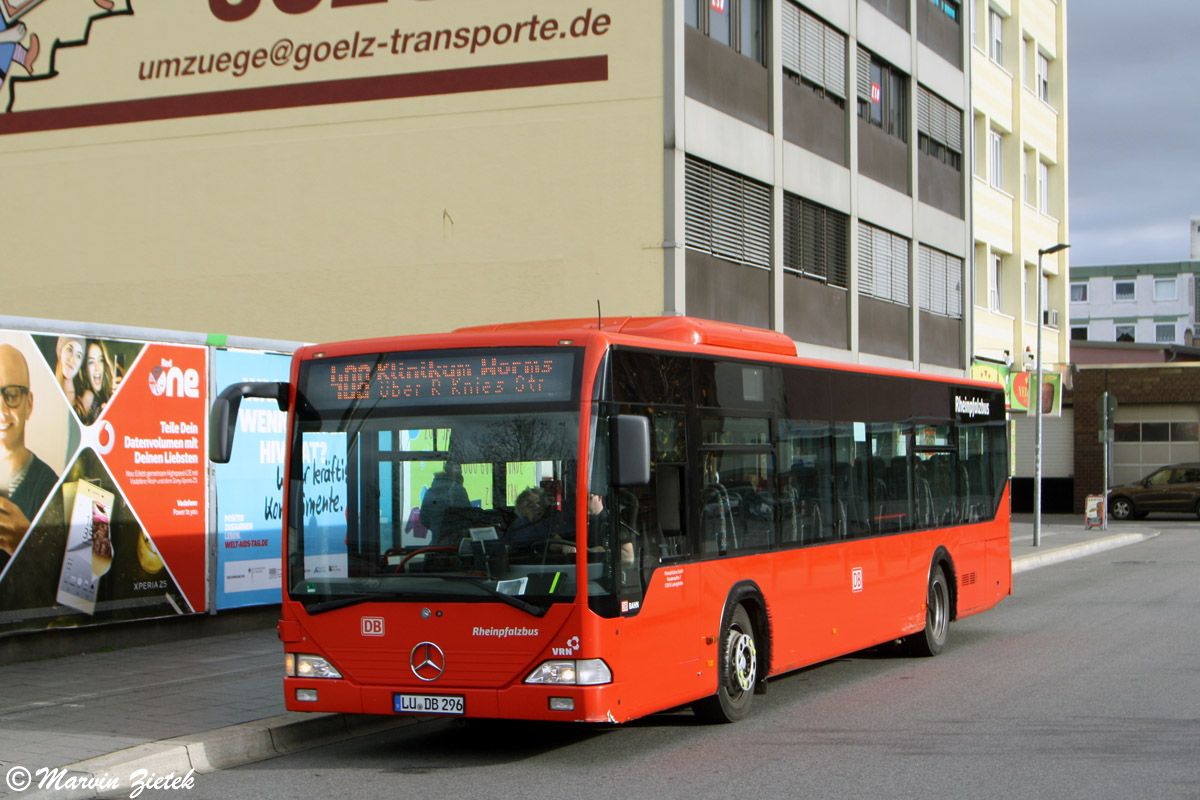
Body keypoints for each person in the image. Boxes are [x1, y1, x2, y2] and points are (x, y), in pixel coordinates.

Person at [0, 344, 59, 571]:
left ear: (29, 404)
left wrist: (28, 543)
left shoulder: (51, 490)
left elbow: (67, 580)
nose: (2, 409)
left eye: (11, 395)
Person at [507, 486, 573, 556]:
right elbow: (507, 544)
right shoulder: (518, 526)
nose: (537, 507)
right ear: (522, 511)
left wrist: (563, 546)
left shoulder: (553, 519)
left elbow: (557, 541)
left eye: (539, 503)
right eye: (530, 506)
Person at [419, 462, 469, 544]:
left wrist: (436, 526)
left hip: (436, 544)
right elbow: (469, 517)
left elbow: (424, 519)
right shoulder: (459, 490)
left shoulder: (430, 491)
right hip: (455, 545)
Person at [74, 339, 114, 425]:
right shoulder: (87, 397)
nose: (97, 368)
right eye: (91, 362)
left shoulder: (108, 393)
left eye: (100, 360)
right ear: (85, 369)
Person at [53, 336, 85, 408]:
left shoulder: (85, 398)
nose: (72, 360)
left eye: (78, 356)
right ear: (60, 351)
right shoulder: (49, 388)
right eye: (69, 350)